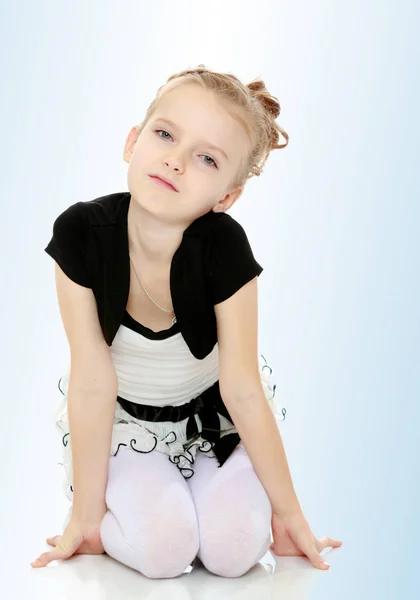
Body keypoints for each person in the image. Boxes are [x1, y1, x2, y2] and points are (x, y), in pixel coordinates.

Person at [31, 65, 342, 578]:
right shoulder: (81, 233)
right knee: (163, 551)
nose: (175, 161)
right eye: (165, 134)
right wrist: (84, 518)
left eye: (205, 158)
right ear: (133, 141)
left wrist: (291, 517)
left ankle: (216, 495)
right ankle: (139, 507)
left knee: (236, 550)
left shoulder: (225, 247)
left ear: (226, 197)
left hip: (212, 424)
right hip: (126, 427)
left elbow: (242, 388)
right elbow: (91, 380)